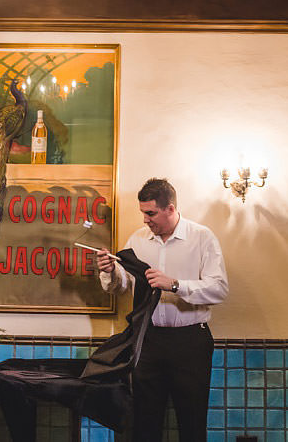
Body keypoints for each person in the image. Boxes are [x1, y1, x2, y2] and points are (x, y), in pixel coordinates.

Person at [96, 178, 229, 442]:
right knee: (144, 421)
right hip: (149, 340)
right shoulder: (137, 239)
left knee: (192, 420)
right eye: (143, 213)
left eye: (150, 213)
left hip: (190, 341)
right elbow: (122, 286)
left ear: (170, 208)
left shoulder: (202, 237)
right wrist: (110, 272)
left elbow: (219, 289)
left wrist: (175, 284)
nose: (145, 219)